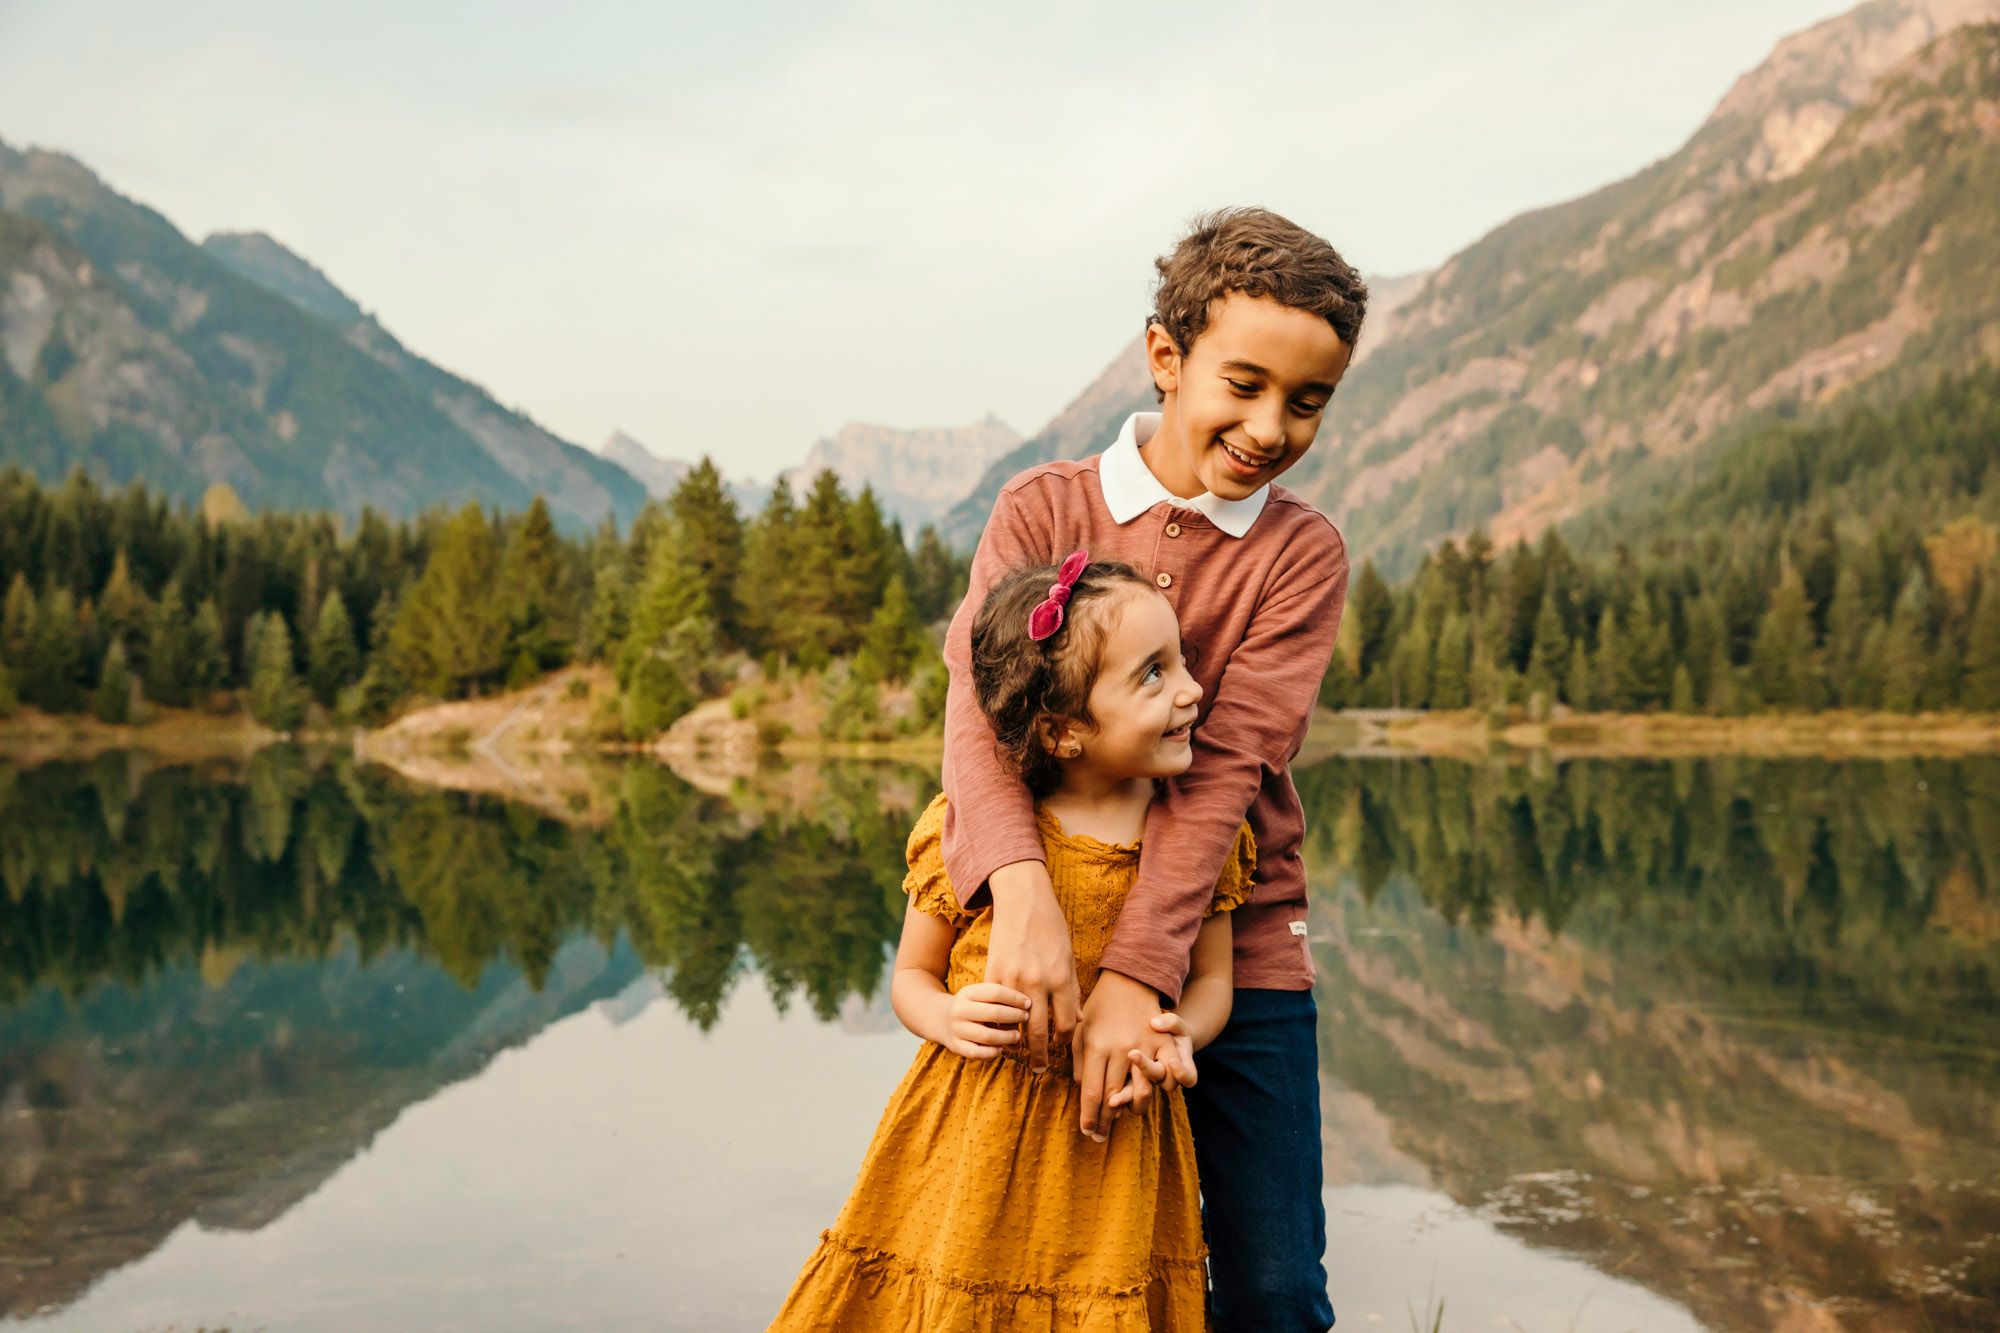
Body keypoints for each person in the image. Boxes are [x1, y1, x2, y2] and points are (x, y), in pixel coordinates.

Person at [939, 207, 1367, 1332]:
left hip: (1240, 948)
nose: (1271, 425)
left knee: (1272, 1285)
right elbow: (976, 724)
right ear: (1166, 358)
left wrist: (1140, 975)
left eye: (1307, 400)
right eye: (1245, 383)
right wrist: (1021, 895)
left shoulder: (1297, 553)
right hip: (1045, 940)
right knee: (1044, 1271)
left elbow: (1224, 770)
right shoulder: (1041, 509)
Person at [767, 553, 1255, 1330]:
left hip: (1117, 1148)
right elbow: (911, 976)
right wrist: (945, 1018)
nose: (1194, 689)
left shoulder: (1191, 839)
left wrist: (1179, 1035)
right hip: (972, 1142)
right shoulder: (973, 834)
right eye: (1153, 675)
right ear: (1063, 730)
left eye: (1182, 661)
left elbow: (1213, 983)